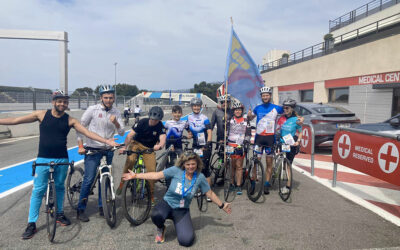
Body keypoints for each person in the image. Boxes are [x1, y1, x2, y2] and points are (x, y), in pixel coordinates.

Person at [0, 90, 119, 240]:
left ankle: (60, 214)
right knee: (38, 190)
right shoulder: (41, 115)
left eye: (65, 101)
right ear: (53, 102)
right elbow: (16, 120)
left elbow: (88, 133)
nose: (62, 104)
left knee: (60, 187)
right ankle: (31, 223)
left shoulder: (70, 120)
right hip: (43, 159)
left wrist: (107, 141)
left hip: (62, 159)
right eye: (60, 101)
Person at [122, 153, 232, 246]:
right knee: (156, 215)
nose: (190, 167)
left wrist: (222, 205)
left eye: (193, 164)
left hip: (181, 210)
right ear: (183, 164)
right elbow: (156, 175)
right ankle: (161, 228)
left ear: (197, 164)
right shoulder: (176, 170)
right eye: (188, 164)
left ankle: (178, 222)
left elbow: (210, 193)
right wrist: (136, 175)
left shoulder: (200, 177)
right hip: (167, 204)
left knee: (186, 241)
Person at [76, 85, 125, 222]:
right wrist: (80, 145)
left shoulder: (116, 112)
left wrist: (116, 123)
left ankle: (102, 206)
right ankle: (80, 209)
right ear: (101, 98)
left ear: (114, 98)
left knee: (105, 179)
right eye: (106, 97)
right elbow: (80, 127)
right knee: (89, 179)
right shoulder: (92, 110)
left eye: (111, 97)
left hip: (108, 150)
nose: (109, 100)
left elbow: (121, 132)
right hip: (93, 149)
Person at [247, 86, 303, 195]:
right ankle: (253, 182)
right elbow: (250, 118)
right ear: (261, 97)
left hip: (270, 139)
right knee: (256, 162)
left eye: (267, 95)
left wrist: (301, 118)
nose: (265, 97)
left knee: (269, 163)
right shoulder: (257, 108)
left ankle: (267, 183)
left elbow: (289, 111)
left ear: (270, 96)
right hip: (259, 138)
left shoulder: (277, 108)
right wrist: (249, 116)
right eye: (263, 95)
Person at [117, 106, 166, 204]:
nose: (154, 121)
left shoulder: (160, 126)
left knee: (152, 171)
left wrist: (160, 145)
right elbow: (130, 135)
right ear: (149, 117)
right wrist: (125, 147)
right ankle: (122, 183)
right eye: (152, 119)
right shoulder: (142, 122)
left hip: (149, 148)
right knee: (130, 161)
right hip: (136, 144)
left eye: (156, 120)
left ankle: (151, 194)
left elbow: (163, 138)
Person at [276, 99, 302, 194]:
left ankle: (288, 186)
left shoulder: (296, 119)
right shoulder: (281, 118)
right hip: (282, 142)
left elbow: (300, 132)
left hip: (291, 144)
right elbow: (277, 130)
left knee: (288, 165)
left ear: (292, 109)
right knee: (281, 160)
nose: (285, 109)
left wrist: (298, 141)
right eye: (284, 108)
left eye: (287, 108)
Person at [187, 98, 212, 198]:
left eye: (198, 106)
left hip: (205, 146)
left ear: (201, 106)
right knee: (195, 168)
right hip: (195, 146)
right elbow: (188, 130)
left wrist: (207, 144)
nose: (196, 107)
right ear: (192, 107)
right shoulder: (189, 118)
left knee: (205, 169)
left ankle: (208, 193)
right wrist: (189, 134)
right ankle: (197, 188)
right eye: (194, 106)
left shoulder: (204, 117)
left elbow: (210, 132)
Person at [226, 102, 251, 195]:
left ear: (242, 111)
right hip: (230, 145)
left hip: (240, 146)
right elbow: (226, 131)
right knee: (231, 166)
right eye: (236, 110)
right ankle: (232, 183)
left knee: (239, 166)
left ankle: (238, 185)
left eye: (239, 110)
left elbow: (248, 134)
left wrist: (246, 142)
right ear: (233, 111)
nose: (238, 111)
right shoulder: (230, 120)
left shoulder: (245, 120)